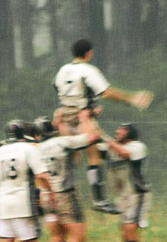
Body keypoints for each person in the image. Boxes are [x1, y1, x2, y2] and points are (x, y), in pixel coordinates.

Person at [53, 38, 153, 212]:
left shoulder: (63, 70)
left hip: (65, 114)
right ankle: (99, 199)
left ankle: (58, 193)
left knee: (70, 158)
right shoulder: (88, 70)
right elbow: (106, 92)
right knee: (93, 155)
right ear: (88, 53)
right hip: (82, 116)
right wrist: (132, 98)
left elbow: (58, 88)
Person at [40, 111, 100, 242]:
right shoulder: (63, 142)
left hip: (46, 194)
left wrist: (59, 121)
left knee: (58, 237)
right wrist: (85, 118)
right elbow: (93, 137)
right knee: (78, 238)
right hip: (64, 193)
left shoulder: (39, 147)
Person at [104, 123, 167, 242]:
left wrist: (106, 139)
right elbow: (95, 148)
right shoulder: (112, 147)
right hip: (124, 197)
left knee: (130, 231)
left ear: (130, 133)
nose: (118, 131)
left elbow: (124, 152)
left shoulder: (137, 146)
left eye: (122, 129)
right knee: (130, 237)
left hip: (138, 195)